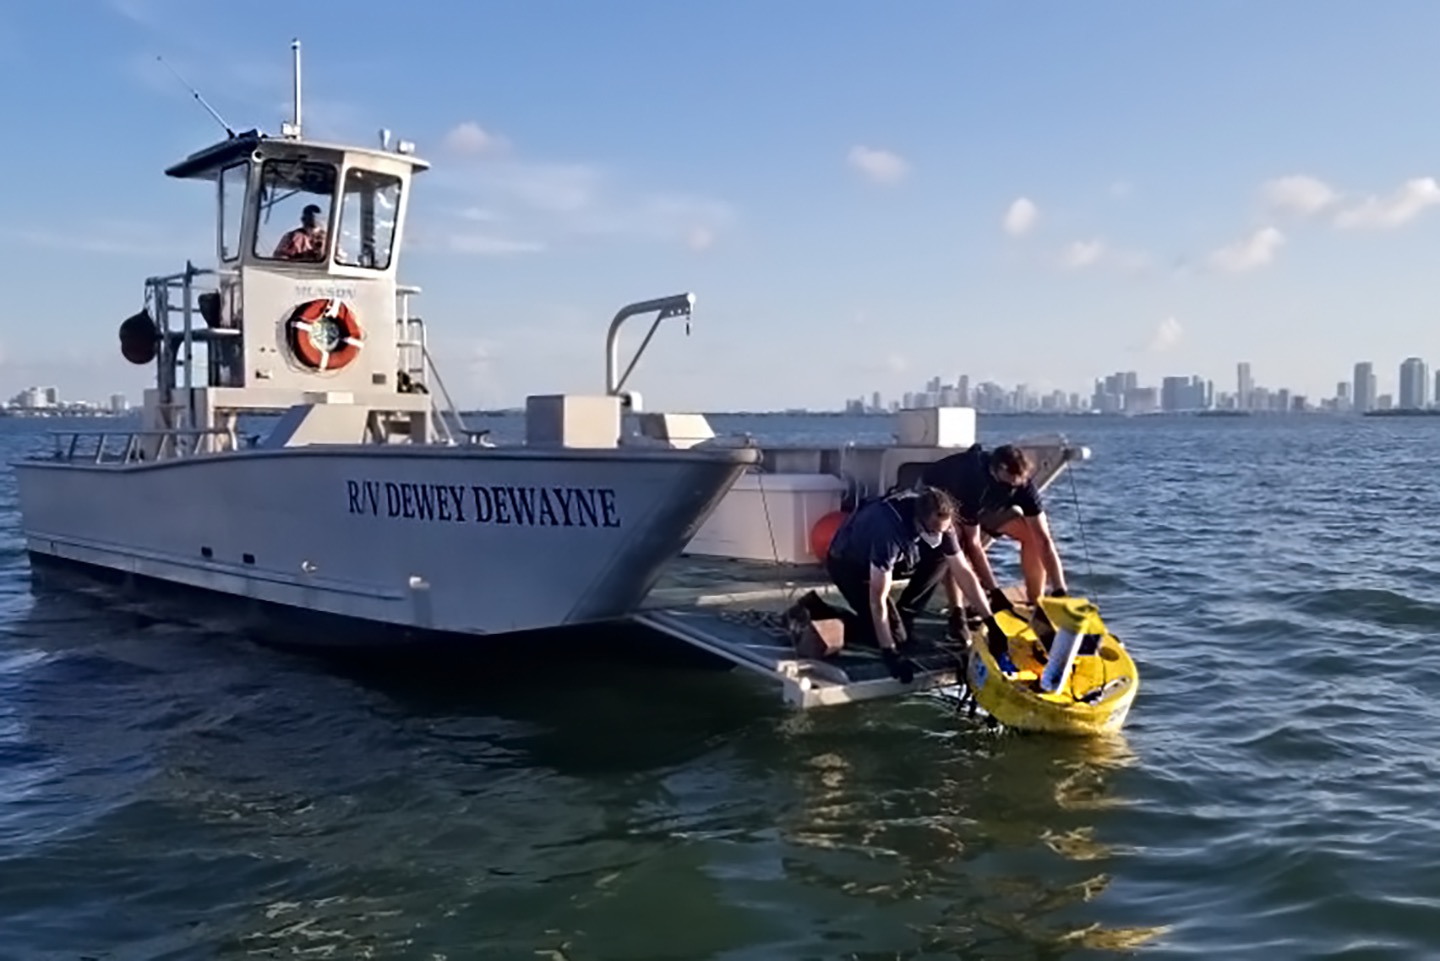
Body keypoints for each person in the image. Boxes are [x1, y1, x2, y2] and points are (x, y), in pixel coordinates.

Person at [824, 486, 1014, 682]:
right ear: (918, 520)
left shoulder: (941, 520)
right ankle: (822, 613)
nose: (938, 535)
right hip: (850, 565)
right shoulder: (889, 532)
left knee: (943, 556)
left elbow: (963, 573)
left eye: (943, 530)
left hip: (900, 556)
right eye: (933, 530)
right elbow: (877, 600)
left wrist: (992, 623)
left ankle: (906, 614)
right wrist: (890, 652)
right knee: (894, 637)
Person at [909, 443, 1069, 619]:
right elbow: (973, 545)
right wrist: (995, 591)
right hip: (940, 494)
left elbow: (1044, 540)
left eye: (1020, 482)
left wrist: (1060, 589)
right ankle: (958, 611)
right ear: (999, 470)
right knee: (957, 544)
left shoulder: (1022, 484)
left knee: (1032, 537)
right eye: (1011, 482)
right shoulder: (973, 481)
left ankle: (1036, 602)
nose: (1015, 486)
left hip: (989, 505)